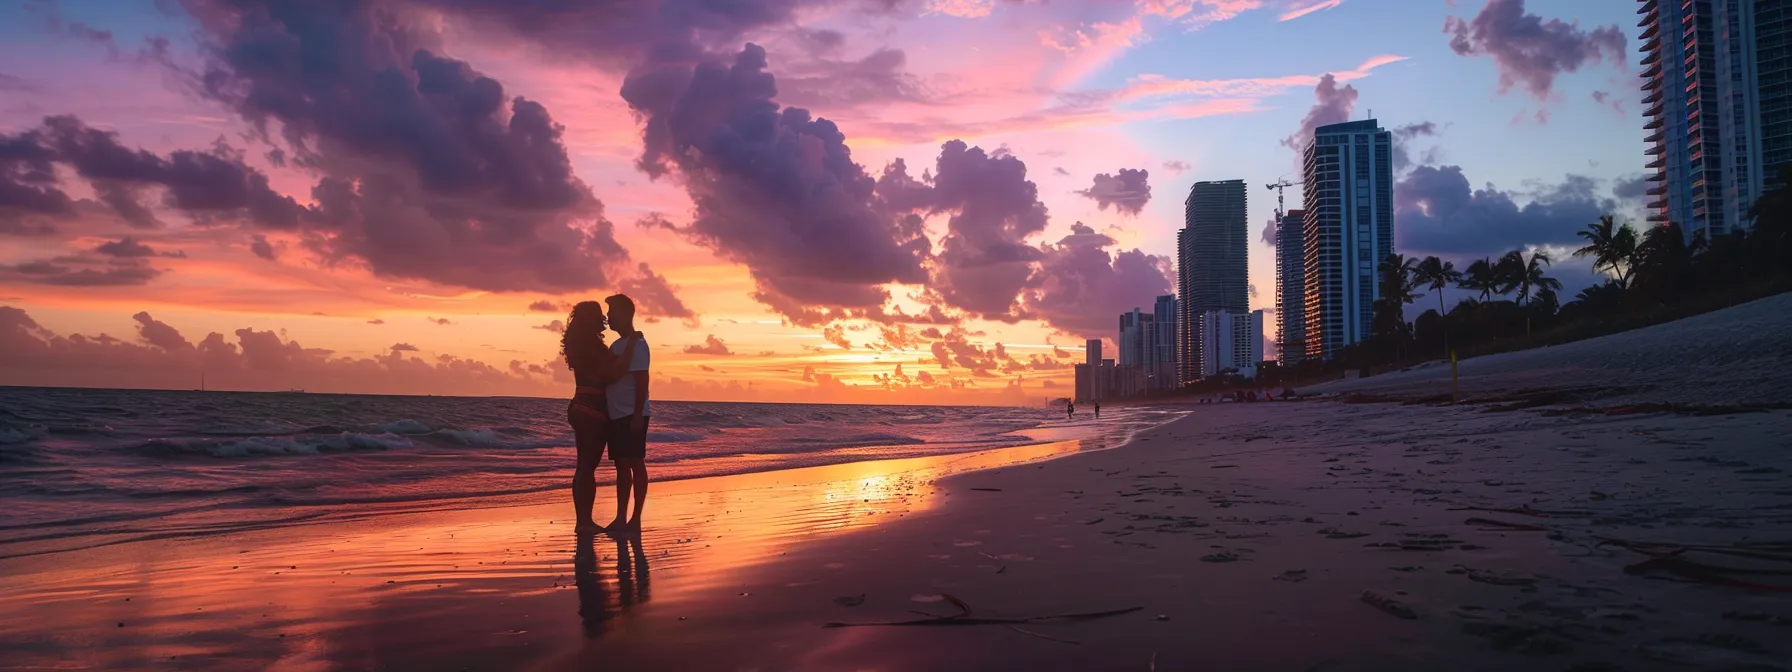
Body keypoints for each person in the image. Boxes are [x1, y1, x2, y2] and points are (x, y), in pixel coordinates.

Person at [561, 301, 641, 533]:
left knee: (584, 466)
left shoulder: (579, 344)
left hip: (580, 406)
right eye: (598, 315)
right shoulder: (592, 347)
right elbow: (613, 374)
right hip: (591, 410)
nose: (603, 319)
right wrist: (631, 345)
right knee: (587, 466)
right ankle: (583, 522)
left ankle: (583, 520)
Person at [603, 294, 651, 532]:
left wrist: (636, 414)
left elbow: (643, 381)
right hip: (616, 414)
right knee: (622, 465)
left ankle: (636, 518)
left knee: (636, 463)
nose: (608, 317)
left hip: (632, 414)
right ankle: (621, 517)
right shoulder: (618, 345)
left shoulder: (638, 345)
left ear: (623, 314)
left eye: (611, 312)